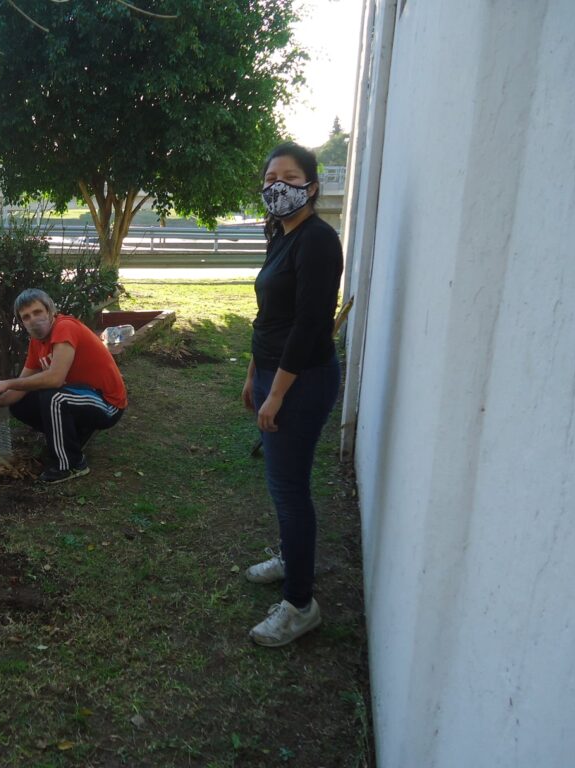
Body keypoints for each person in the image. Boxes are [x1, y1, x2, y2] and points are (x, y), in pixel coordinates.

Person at [241, 142, 343, 647]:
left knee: (289, 489)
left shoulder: (318, 240)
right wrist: (253, 375)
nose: (278, 185)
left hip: (301, 381)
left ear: (312, 186)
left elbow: (308, 327)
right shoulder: (280, 233)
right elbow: (269, 317)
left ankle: (301, 605)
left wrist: (277, 394)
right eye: (270, 178)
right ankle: (290, 556)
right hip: (272, 374)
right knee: (283, 484)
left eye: (290, 177)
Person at [0, 288, 127, 484]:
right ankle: (74, 436)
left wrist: (6, 383)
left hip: (108, 403)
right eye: (26, 317)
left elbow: (55, 378)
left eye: (37, 312)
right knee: (19, 402)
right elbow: (20, 387)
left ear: (50, 311)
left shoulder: (65, 327)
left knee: (54, 396)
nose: (33, 319)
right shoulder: (37, 342)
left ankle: (71, 464)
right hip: (80, 397)